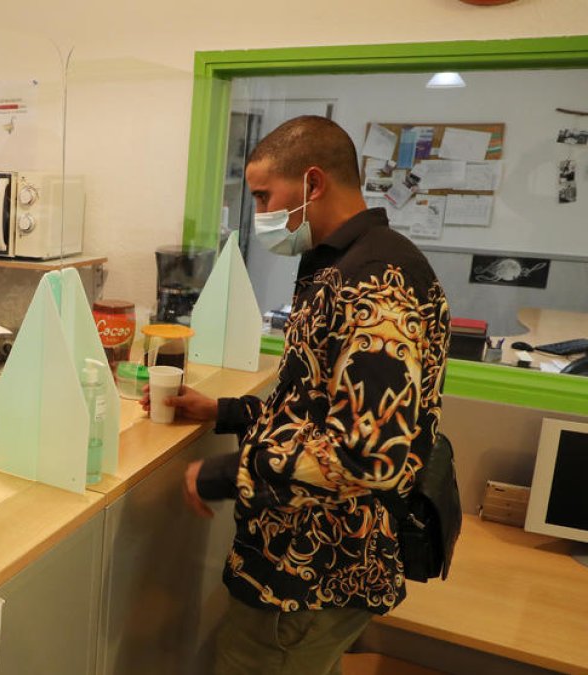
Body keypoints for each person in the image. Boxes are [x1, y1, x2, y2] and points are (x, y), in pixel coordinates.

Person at [146, 116, 450, 674]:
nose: (259, 212)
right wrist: (225, 411)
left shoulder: (378, 283)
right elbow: (317, 407)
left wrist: (226, 473)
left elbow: (367, 454)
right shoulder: (336, 264)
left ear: (312, 183)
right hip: (296, 559)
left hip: (315, 573)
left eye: (263, 196)